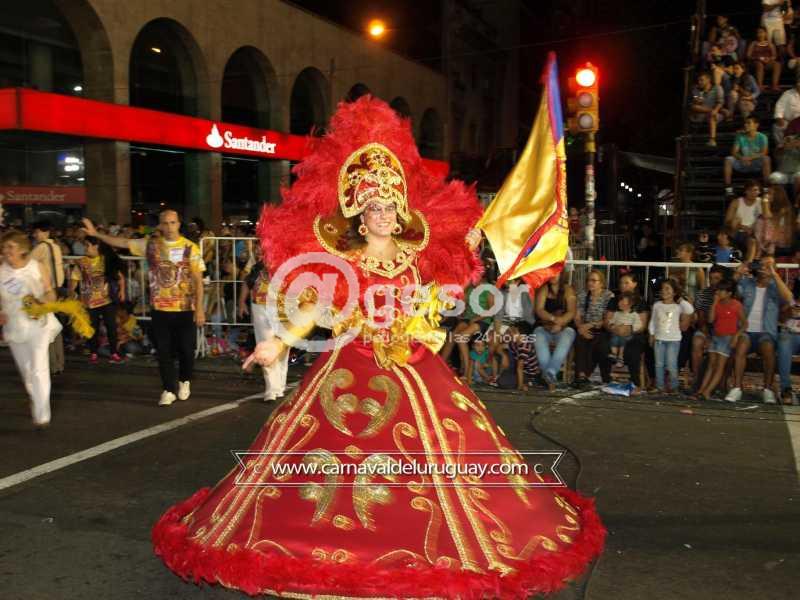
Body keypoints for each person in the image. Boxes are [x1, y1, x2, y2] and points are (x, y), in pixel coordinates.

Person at [151, 97, 605, 598]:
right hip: (350, 366)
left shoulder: (416, 256)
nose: (385, 214)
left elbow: (441, 296)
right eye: (375, 208)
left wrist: (465, 251)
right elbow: (313, 309)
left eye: (390, 207)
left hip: (414, 364)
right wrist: (277, 342)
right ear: (359, 217)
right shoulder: (342, 260)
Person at [81, 210, 205, 406]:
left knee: (186, 350)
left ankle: (184, 380)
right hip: (160, 309)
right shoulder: (150, 245)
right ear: (160, 225)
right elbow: (122, 242)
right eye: (165, 223)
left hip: (185, 308)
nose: (169, 227)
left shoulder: (190, 248)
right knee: (163, 351)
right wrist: (96, 234)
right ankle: (168, 389)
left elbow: (198, 281)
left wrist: (199, 309)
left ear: (179, 224)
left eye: (173, 222)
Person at [0, 230, 62, 428]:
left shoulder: (37, 267)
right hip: (14, 326)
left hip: (38, 324)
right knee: (27, 372)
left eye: (11, 247)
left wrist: (42, 302)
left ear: (22, 249)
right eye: (4, 247)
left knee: (38, 367)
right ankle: (36, 398)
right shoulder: (1, 271)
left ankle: (42, 414)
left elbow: (51, 293)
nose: (6, 251)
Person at [726, 256, 794, 403]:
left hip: (766, 333)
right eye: (762, 264)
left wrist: (774, 275)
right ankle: (737, 388)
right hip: (746, 331)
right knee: (741, 346)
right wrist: (738, 273)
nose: (764, 267)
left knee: (768, 349)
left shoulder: (776, 287)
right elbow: (729, 290)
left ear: (774, 268)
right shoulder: (747, 283)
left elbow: (789, 298)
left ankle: (767, 389)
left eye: (769, 265)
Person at [239, 249, 289, 401]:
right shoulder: (256, 262)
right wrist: (241, 302)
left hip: (283, 307)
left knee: (282, 345)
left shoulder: (287, 257)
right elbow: (247, 282)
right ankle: (271, 388)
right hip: (259, 306)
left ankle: (280, 385)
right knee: (265, 345)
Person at [68, 236, 125, 364]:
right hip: (89, 302)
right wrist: (72, 292)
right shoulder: (81, 262)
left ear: (96, 246)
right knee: (92, 328)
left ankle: (114, 352)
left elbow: (120, 276)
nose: (85, 248)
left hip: (107, 300)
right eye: (85, 245)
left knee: (111, 326)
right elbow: (74, 279)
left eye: (87, 245)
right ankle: (93, 352)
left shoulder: (106, 260)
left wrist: (122, 291)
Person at [695, 280, 747, 401]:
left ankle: (707, 391)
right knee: (711, 365)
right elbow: (711, 320)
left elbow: (745, 323)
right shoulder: (717, 304)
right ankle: (701, 390)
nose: (718, 292)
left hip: (727, 338)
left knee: (719, 366)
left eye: (721, 290)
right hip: (716, 337)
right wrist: (714, 303)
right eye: (717, 290)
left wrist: (736, 336)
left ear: (729, 293)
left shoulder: (736, 305)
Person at [30, 220, 65, 375]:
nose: (35, 235)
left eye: (37, 232)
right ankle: (59, 363)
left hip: (46, 293)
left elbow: (26, 264)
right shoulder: (56, 247)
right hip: (57, 291)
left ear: (45, 232)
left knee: (46, 328)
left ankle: (51, 365)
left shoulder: (41, 247)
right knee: (55, 327)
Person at [649, 278, 695, 393]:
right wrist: (651, 334)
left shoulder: (678, 306)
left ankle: (674, 386)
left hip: (673, 340)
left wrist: (680, 299)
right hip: (659, 339)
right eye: (663, 289)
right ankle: (660, 386)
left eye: (668, 289)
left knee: (671, 364)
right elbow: (653, 321)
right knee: (659, 364)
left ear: (674, 292)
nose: (664, 291)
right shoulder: (657, 305)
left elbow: (690, 310)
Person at [533, 272, 577, 390]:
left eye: (555, 274)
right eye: (550, 273)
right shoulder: (544, 289)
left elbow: (571, 311)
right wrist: (553, 319)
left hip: (564, 327)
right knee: (538, 336)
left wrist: (560, 322)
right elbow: (539, 309)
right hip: (544, 326)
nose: (552, 276)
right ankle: (550, 378)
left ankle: (550, 372)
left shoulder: (568, 289)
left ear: (561, 274)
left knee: (568, 335)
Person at [573, 269, 614, 386]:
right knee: (580, 340)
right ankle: (581, 375)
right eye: (588, 280)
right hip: (585, 327)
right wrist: (581, 328)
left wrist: (590, 325)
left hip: (602, 328)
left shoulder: (608, 296)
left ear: (601, 283)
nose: (590, 283)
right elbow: (577, 316)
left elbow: (608, 318)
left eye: (594, 280)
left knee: (600, 344)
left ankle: (601, 376)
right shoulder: (583, 295)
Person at [723, 116, 771, 196]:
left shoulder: (762, 137)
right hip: (742, 162)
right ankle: (728, 189)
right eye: (745, 123)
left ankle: (766, 188)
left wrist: (749, 158)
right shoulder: (740, 136)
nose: (745, 125)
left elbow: (764, 153)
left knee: (766, 159)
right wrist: (742, 158)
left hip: (755, 163)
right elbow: (734, 152)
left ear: (756, 125)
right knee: (728, 159)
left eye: (748, 123)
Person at [777, 278, 800, 404]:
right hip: (790, 335)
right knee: (784, 341)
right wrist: (788, 313)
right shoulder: (789, 300)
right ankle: (786, 388)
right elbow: (780, 319)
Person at [724, 180, 764, 250]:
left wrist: (754, 229)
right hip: (737, 231)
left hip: (754, 233)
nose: (753, 193)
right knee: (735, 220)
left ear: (759, 192)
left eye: (755, 190)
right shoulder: (736, 202)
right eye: (750, 190)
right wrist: (743, 227)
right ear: (745, 191)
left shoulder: (762, 202)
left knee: (753, 241)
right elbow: (727, 221)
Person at [689, 72, 724, 146]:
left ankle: (712, 140)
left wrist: (715, 110)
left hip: (714, 114)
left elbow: (720, 102)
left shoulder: (717, 88)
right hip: (701, 114)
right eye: (698, 80)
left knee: (712, 115)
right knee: (693, 106)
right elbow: (695, 99)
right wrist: (697, 99)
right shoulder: (696, 89)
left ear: (708, 80)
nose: (699, 82)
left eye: (702, 80)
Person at [607, 292, 642, 367]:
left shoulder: (634, 315)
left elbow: (638, 324)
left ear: (630, 304)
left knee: (623, 339)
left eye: (623, 302)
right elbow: (612, 321)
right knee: (613, 339)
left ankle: (620, 357)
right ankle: (614, 354)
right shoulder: (617, 313)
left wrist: (630, 328)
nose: (620, 303)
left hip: (628, 334)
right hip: (617, 333)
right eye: (620, 301)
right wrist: (612, 325)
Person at [747, 26, 781, 91]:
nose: (760, 34)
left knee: (777, 65)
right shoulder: (753, 43)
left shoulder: (770, 44)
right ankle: (759, 85)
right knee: (759, 65)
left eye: (761, 32)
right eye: (758, 33)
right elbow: (748, 55)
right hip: (756, 61)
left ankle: (774, 85)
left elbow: (774, 55)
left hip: (767, 61)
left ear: (765, 33)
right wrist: (758, 58)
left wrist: (769, 59)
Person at [773, 76, 800, 146]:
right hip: (788, 121)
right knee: (777, 126)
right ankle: (781, 146)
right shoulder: (788, 94)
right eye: (798, 82)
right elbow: (779, 106)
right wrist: (779, 118)